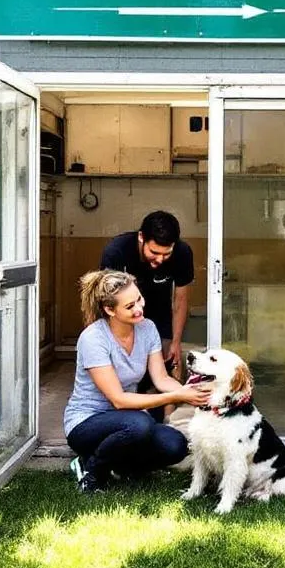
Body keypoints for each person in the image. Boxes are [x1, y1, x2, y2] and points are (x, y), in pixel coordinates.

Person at [63, 269, 211, 494]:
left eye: (139, 299)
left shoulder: (147, 328)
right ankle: (90, 470)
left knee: (176, 446)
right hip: (87, 422)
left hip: (128, 420)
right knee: (140, 425)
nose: (139, 308)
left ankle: (120, 466)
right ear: (109, 310)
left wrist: (190, 392)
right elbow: (119, 400)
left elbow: (161, 379)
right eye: (130, 306)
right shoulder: (93, 338)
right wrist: (178, 396)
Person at [100, 210, 194, 422]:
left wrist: (176, 342)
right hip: (123, 315)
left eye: (166, 254)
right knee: (125, 369)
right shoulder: (116, 252)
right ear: (141, 237)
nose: (160, 259)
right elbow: (107, 304)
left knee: (172, 362)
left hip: (160, 315)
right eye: (154, 252)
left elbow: (180, 300)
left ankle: (169, 422)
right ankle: (121, 414)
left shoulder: (182, 253)